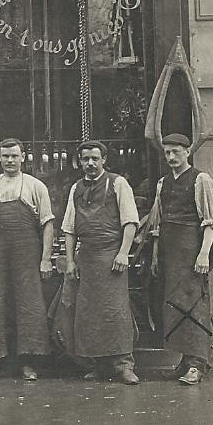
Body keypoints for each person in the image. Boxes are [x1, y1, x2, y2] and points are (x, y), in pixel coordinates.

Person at [62, 140, 140, 385]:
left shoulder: (118, 183)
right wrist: (70, 261)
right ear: (80, 162)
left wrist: (123, 253)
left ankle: (124, 366)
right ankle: (98, 365)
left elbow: (130, 222)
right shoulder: (76, 188)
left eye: (95, 158)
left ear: (104, 159)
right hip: (86, 257)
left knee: (116, 311)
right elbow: (69, 229)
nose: (90, 163)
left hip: (111, 256)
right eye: (86, 159)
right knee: (89, 313)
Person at [147, 133, 213, 385]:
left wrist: (204, 253)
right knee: (175, 307)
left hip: (192, 254)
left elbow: (211, 221)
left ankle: (198, 364)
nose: (171, 157)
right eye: (167, 152)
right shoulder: (163, 183)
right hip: (170, 255)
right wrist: (155, 256)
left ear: (187, 152)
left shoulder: (201, 180)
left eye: (176, 152)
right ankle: (184, 362)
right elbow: (158, 223)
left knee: (195, 305)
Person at [0, 138, 55, 379]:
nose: (9, 160)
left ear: (23, 157)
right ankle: (3, 359)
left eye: (14, 156)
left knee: (28, 304)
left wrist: (45, 259)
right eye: (5, 156)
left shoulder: (35, 186)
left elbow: (48, 224)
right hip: (1, 256)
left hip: (27, 255)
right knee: (1, 302)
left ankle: (28, 362)